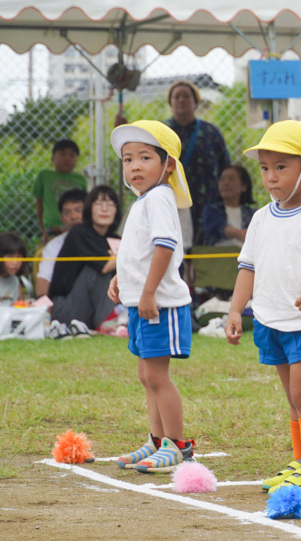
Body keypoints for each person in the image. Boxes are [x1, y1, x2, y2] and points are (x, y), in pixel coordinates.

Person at [224, 120, 301, 498]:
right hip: (269, 322)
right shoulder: (261, 218)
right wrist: (234, 311)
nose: (271, 177)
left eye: (281, 167)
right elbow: (248, 267)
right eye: (265, 168)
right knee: (292, 397)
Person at [107, 120, 196, 473]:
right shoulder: (143, 201)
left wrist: (146, 292)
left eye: (145, 157)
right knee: (146, 375)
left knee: (158, 376)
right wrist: (120, 278)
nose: (135, 166)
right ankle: (157, 441)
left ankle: (176, 444)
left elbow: (164, 246)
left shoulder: (160, 197)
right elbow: (138, 252)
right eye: (128, 159)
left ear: (168, 165)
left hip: (160, 304)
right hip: (141, 303)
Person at [164, 80, 231, 247]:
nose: (181, 100)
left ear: (196, 102)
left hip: (205, 204)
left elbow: (225, 167)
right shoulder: (161, 132)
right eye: (176, 97)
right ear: (170, 102)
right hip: (171, 202)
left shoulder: (211, 132)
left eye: (186, 96)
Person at [49, 186, 121, 332]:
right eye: (99, 204)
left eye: (110, 204)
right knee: (96, 271)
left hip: (93, 309)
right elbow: (105, 267)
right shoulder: (79, 233)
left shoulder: (116, 239)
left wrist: (118, 258)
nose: (104, 209)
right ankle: (109, 325)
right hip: (66, 308)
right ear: (89, 209)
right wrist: (121, 257)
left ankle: (119, 320)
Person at [32, 139, 88, 241]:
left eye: (72, 156)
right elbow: (39, 204)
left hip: (77, 225)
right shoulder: (44, 176)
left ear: (77, 160)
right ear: (53, 158)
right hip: (53, 227)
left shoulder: (81, 179)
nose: (67, 159)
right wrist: (42, 229)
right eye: (62, 154)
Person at [35, 188, 85, 297]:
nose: (73, 217)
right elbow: (44, 278)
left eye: (78, 210)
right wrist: (44, 305)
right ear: (62, 218)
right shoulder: (54, 246)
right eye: (67, 213)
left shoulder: (104, 239)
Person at [201, 165, 255, 247]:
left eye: (231, 179)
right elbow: (219, 228)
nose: (225, 183)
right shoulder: (211, 210)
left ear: (243, 186)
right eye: (222, 179)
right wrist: (240, 234)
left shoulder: (253, 214)